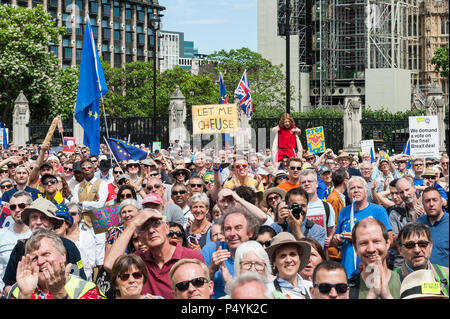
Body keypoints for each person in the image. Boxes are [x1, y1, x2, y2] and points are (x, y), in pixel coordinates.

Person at [103, 208, 204, 299]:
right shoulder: (138, 261)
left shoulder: (192, 257)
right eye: (144, 227)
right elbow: (110, 264)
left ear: (167, 228)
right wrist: (133, 224)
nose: (151, 230)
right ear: (140, 237)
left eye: (156, 224)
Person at [2, 198, 87, 296]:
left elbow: (80, 284)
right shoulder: (20, 247)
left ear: (53, 222)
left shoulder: (69, 246)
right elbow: (8, 285)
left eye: (43, 218)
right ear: (28, 223)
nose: (38, 222)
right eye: (34, 217)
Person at [7, 229, 104, 299]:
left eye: (46, 254)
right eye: (34, 258)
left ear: (63, 255)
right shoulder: (18, 290)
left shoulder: (84, 288)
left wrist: (60, 293)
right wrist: (24, 296)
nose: (40, 262)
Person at [331, 176, 392, 278]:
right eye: (352, 188)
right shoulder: (344, 211)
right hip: (348, 266)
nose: (356, 191)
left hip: (371, 267)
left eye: (359, 187)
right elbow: (335, 238)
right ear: (348, 193)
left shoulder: (378, 210)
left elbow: (389, 240)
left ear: (366, 192)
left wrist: (357, 238)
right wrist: (337, 239)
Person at [201, 207, 261, 298]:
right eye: (228, 229)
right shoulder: (210, 250)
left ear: (250, 232)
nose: (232, 234)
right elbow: (195, 287)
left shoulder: (257, 254)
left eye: (238, 228)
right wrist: (212, 269)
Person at [348, 218, 401, 299]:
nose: (371, 249)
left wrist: (387, 296)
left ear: (387, 243)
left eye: (376, 241)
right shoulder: (347, 290)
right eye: (364, 243)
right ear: (355, 248)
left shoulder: (406, 284)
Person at [395, 222, 449, 296]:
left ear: (431, 246)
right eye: (410, 245)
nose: (417, 250)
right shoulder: (391, 280)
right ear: (400, 249)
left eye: (422, 244)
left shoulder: (446, 275)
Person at [0, 191, 33, 291]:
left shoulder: (38, 234)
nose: (17, 210)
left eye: (22, 206)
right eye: (13, 207)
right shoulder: (1, 234)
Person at [265, 231, 311, 299]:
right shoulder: (266, 292)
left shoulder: (311, 287)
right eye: (282, 256)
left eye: (293, 254)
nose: (289, 260)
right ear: (274, 262)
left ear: (299, 258)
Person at [299, 169, 335, 249]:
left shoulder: (327, 207)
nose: (307, 184)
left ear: (316, 184)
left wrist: (330, 239)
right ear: (300, 186)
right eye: (303, 182)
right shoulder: (297, 208)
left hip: (321, 254)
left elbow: (331, 230)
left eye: (310, 181)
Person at [417, 186, 449, 267]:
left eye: (435, 200)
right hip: (424, 276)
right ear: (423, 204)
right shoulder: (419, 223)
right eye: (427, 201)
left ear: (441, 202)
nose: (431, 204)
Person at [65, 203, 98, 282]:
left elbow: (91, 261)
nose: (70, 216)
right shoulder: (61, 233)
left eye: (73, 214)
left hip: (84, 278)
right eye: (68, 213)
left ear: (79, 217)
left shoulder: (86, 234)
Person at [326, 167, 349, 261]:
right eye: (348, 178)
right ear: (345, 181)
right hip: (335, 250)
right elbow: (333, 223)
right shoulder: (334, 199)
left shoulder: (339, 196)